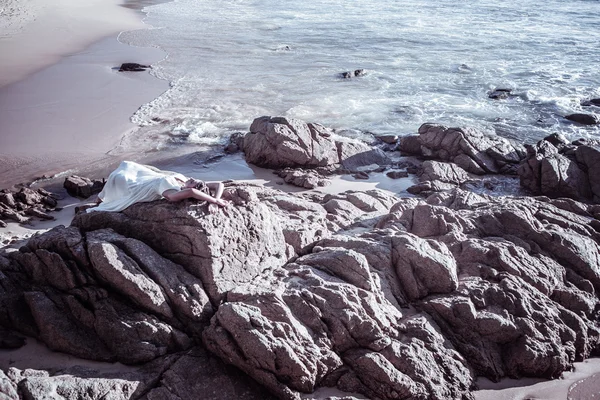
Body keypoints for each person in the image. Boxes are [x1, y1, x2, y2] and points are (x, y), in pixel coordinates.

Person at [87, 161, 229, 213]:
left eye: (193, 182)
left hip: (134, 187)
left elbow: (191, 192)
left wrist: (214, 202)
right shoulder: (185, 181)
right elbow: (219, 184)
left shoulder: (172, 192)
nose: (192, 179)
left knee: (118, 177)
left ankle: (99, 200)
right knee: (126, 164)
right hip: (145, 176)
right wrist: (216, 197)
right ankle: (100, 198)